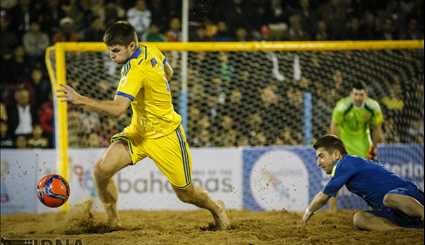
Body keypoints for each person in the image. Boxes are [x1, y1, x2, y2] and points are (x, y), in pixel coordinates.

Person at [57, 21, 230, 230]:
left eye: (115, 50)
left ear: (131, 46)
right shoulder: (151, 48)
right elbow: (169, 72)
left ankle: (216, 208)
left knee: (186, 193)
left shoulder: (133, 70)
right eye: (109, 51)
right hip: (139, 132)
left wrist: (80, 99)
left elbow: (118, 109)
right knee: (102, 170)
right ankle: (113, 219)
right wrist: (155, 87)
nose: (111, 55)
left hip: (166, 135)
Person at [302, 134, 424, 231]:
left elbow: (323, 197)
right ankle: (404, 231)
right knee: (359, 218)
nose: (318, 163)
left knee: (389, 198)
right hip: (395, 212)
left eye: (321, 156)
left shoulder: (346, 163)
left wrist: (308, 212)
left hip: (411, 198)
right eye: (317, 158)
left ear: (336, 154)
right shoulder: (345, 167)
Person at [328, 81, 384, 211]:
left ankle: (373, 208)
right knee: (335, 179)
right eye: (356, 94)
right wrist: (335, 147)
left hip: (364, 147)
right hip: (344, 147)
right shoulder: (342, 106)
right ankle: (331, 212)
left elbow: (377, 128)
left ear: (366, 95)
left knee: (370, 179)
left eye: (361, 94)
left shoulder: (373, 107)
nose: (358, 97)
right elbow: (334, 126)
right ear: (351, 94)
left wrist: (373, 148)